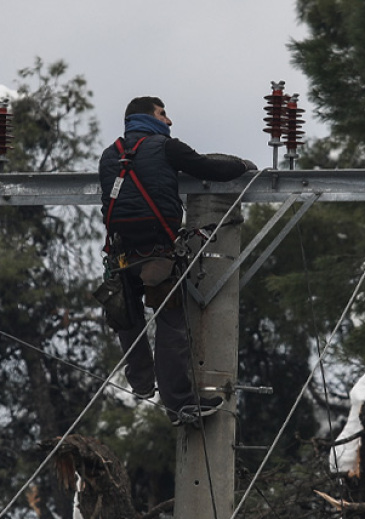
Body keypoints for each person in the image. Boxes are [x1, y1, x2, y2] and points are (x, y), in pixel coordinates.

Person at [98, 96, 255, 426]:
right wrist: (243, 166)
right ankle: (180, 404)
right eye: (162, 113)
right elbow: (210, 169)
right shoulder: (166, 147)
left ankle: (141, 382)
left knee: (127, 319)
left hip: (120, 255)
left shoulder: (110, 154)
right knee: (171, 328)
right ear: (147, 117)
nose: (168, 121)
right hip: (158, 257)